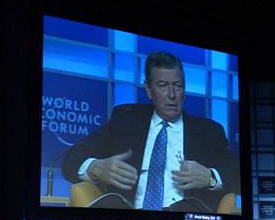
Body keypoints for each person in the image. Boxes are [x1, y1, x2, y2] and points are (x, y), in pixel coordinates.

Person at [61, 51, 239, 211]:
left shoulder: (209, 132)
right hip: (129, 216)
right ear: (148, 89)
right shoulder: (125, 120)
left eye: (177, 86)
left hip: (185, 219)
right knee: (111, 205)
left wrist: (210, 177)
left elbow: (237, 175)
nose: (172, 95)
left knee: (183, 209)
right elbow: (70, 160)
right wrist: (95, 168)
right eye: (162, 85)